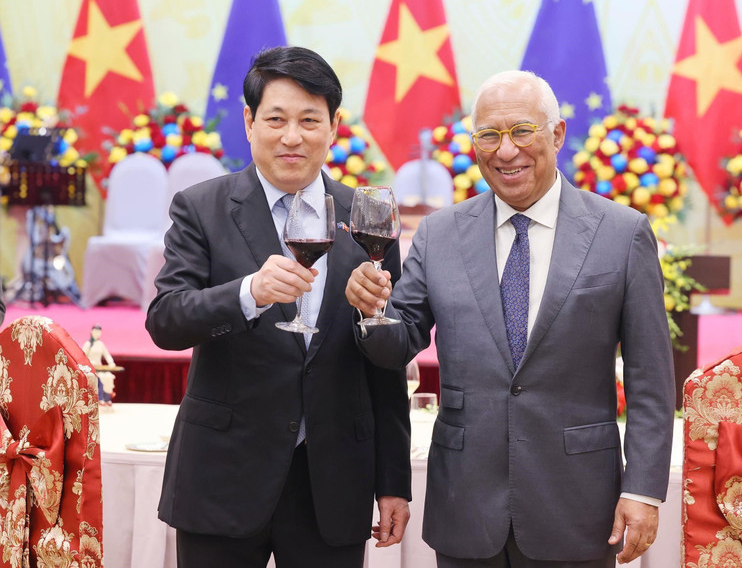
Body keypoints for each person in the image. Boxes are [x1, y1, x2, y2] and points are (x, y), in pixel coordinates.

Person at [346, 70, 675, 567]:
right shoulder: (439, 234)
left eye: (522, 131)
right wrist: (372, 313)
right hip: (466, 506)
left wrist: (645, 491)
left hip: (579, 508)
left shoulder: (622, 234)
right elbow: (401, 340)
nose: (505, 151)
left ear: (557, 134)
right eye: (488, 135)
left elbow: (652, 380)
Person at [146, 46, 411, 568]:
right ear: (249, 121)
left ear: (333, 126)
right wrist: (250, 293)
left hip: (331, 481)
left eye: (310, 120)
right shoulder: (202, 207)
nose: (293, 137)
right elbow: (166, 320)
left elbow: (388, 362)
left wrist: (392, 481)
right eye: (277, 119)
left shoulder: (369, 217)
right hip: (224, 477)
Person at [81, 324, 116, 405]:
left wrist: (111, 362)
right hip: (91, 368)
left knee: (108, 376)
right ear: (92, 332)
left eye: (99, 332)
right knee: (101, 378)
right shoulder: (88, 344)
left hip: (100, 367)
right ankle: (100, 398)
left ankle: (107, 398)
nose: (97, 333)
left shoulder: (100, 344)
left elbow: (106, 354)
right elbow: (82, 356)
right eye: (95, 331)